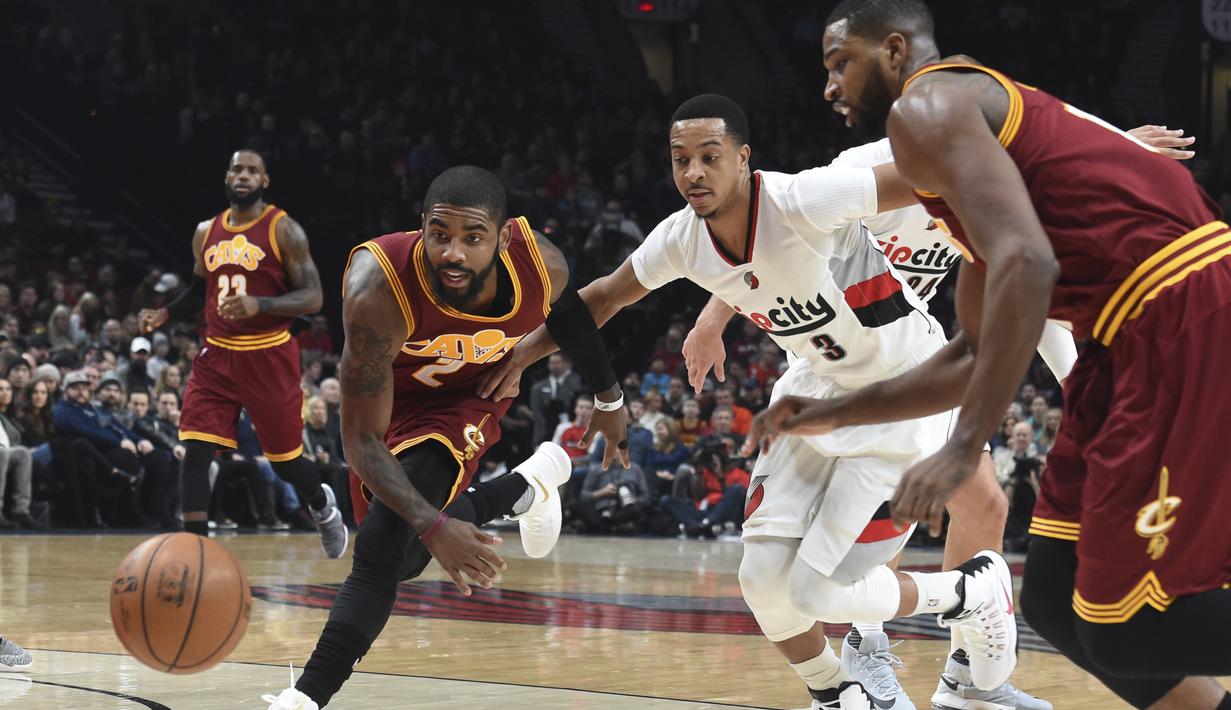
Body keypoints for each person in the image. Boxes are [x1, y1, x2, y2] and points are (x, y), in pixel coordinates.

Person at [479, 95, 1018, 708]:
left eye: (710, 157)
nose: (694, 174)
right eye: (681, 160)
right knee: (761, 580)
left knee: (818, 590)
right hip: (815, 387)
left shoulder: (806, 197)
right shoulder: (681, 238)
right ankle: (836, 696)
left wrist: (1084, 162)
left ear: (743, 158)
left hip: (902, 390)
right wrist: (521, 354)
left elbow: (937, 175)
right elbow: (600, 299)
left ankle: (971, 594)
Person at [764, 1, 1231, 706]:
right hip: (1123, 330)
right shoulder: (965, 161)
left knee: (1130, 626)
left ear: (894, 52)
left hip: (1173, 307)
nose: (829, 87)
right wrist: (835, 411)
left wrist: (963, 445)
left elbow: (1027, 264)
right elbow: (972, 352)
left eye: (840, 65)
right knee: (1051, 595)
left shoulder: (924, 105)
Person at [263, 166, 630, 709]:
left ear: (502, 238)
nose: (453, 253)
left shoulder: (540, 264)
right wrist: (434, 524)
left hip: (470, 396)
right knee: (406, 558)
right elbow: (360, 440)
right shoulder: (378, 284)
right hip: (389, 406)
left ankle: (303, 699)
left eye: (473, 237)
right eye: (440, 235)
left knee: (380, 550)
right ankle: (528, 485)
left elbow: (573, 316)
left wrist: (609, 397)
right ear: (422, 229)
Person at [138, 149, 346, 556]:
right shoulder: (206, 231)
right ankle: (195, 555)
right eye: (237, 168)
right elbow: (200, 291)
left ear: (264, 181)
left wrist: (262, 304)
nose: (244, 175)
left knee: (285, 462)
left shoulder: (284, 229)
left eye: (253, 170)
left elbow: (314, 297)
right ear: (227, 176)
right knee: (196, 450)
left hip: (268, 355)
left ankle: (321, 506)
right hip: (217, 355)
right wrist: (163, 313)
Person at [0, 379, 34, 529]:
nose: (5, 392)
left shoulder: (6, 416)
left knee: (23, 453)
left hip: (5, 452)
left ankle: (20, 510)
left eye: (8, 389)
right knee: (1, 452)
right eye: (1, 389)